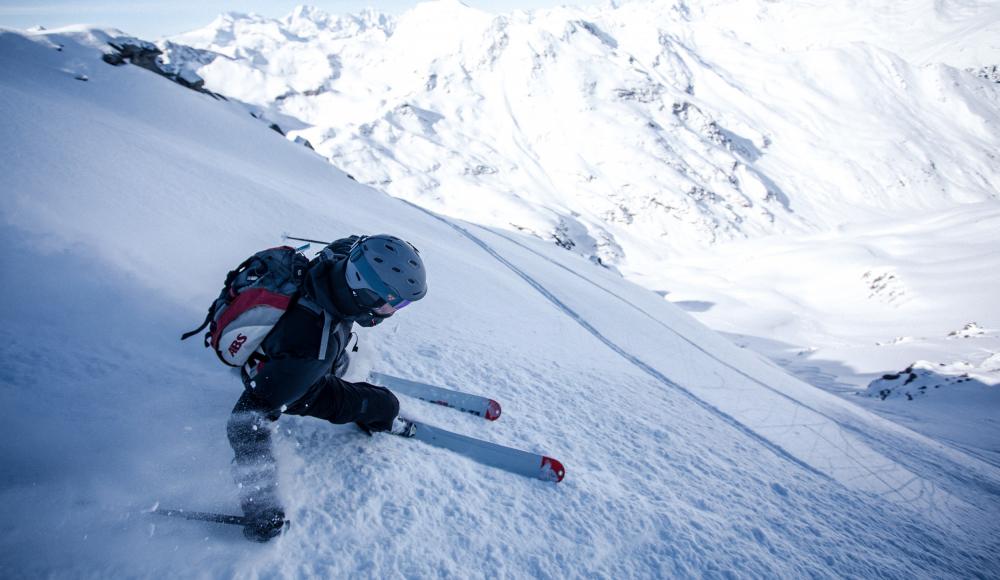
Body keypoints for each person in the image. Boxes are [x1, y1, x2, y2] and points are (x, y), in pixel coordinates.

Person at [227, 234, 427, 542]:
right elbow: (245, 422)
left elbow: (350, 245)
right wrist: (262, 508)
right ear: (367, 293)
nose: (395, 310)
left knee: (341, 359)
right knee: (384, 404)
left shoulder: (335, 263)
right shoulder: (312, 352)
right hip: (291, 382)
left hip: (288, 344)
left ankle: (337, 369)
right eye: (395, 302)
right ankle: (380, 415)